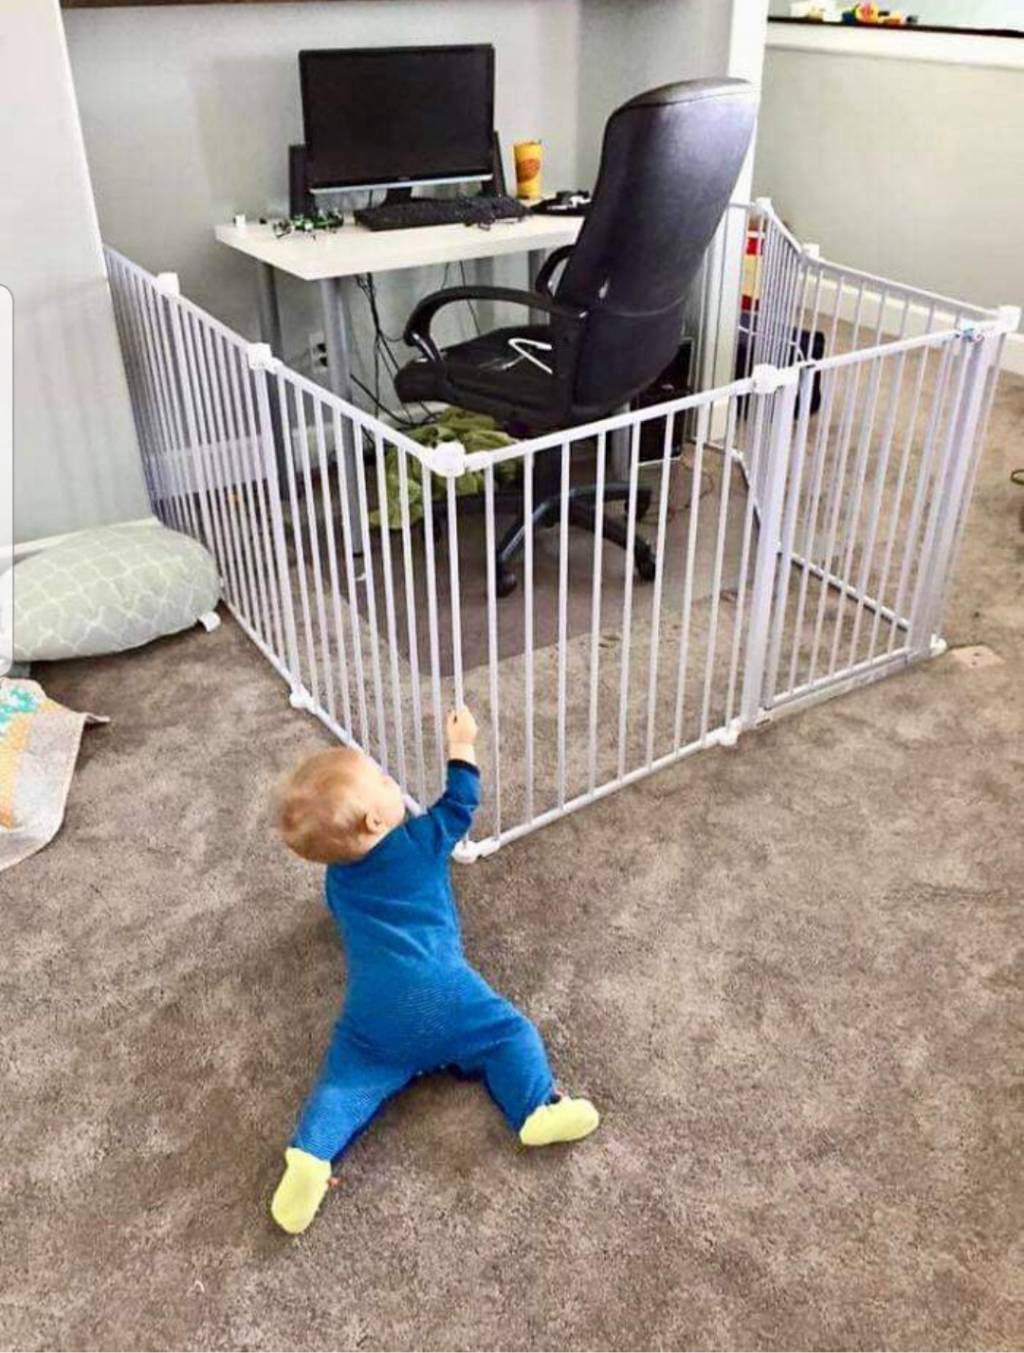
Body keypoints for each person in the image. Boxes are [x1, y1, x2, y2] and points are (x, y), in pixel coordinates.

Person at [270, 707, 599, 1234]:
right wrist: (461, 743)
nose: (389, 779)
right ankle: (537, 1109)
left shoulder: (337, 882)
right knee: (509, 1033)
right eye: (382, 780)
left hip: (373, 1011)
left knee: (346, 1081)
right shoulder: (419, 843)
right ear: (375, 822)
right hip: (444, 991)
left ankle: (309, 1157)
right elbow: (461, 802)